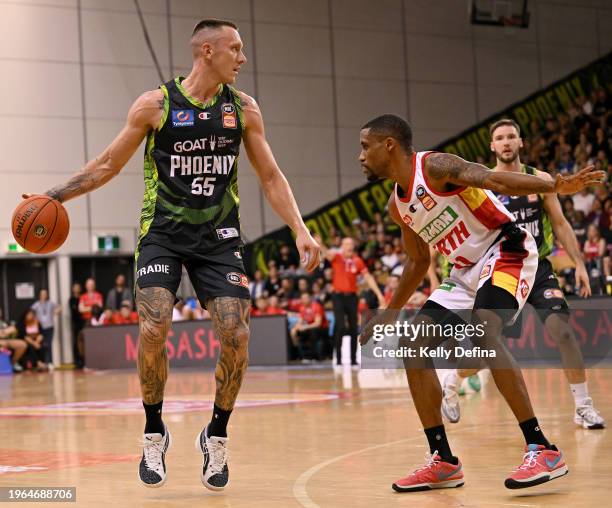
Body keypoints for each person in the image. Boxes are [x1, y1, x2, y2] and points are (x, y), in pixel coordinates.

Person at [28, 18, 320, 490]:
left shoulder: (243, 110)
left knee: (236, 333)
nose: (242, 58)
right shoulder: (155, 106)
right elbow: (107, 164)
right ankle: (153, 430)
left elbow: (270, 176)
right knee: (154, 322)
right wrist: (54, 196)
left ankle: (216, 436)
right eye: (235, 49)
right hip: (162, 231)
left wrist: (300, 229)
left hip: (219, 237)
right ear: (207, 51)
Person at [357, 114, 605, 492]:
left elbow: (493, 178)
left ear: (388, 144)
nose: (360, 156)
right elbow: (418, 261)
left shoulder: (436, 166)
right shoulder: (397, 205)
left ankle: (542, 448)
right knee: (414, 346)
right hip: (463, 271)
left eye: (365, 146)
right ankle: (442, 461)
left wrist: (554, 184)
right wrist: (389, 313)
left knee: (486, 328)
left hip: (505, 247)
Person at [441, 118, 605, 429]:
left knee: (564, 332)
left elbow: (559, 223)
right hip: (502, 267)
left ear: (521, 143)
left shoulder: (539, 179)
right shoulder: (482, 184)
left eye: (511, 136)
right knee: (485, 351)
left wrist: (580, 264)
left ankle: (583, 406)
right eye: (499, 138)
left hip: (539, 266)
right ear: (492, 146)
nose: (505, 142)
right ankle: (453, 379)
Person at [318, 236, 385, 367]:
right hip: (338, 296)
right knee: (341, 326)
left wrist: (379, 294)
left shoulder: (357, 261)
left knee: (354, 327)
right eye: (346, 244)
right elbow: (327, 254)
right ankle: (338, 358)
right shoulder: (337, 257)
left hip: (352, 297)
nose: (349, 246)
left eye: (351, 244)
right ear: (342, 247)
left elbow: (368, 277)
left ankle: (353, 359)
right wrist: (320, 244)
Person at [31, 289, 60, 367]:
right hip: (40, 328)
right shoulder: (36, 305)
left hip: (50, 327)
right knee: (42, 345)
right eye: (42, 294)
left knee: (49, 344)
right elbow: (31, 313)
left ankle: (49, 362)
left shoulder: (50, 303)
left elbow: (59, 307)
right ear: (39, 295)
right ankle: (41, 362)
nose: (44, 295)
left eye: (45, 294)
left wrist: (56, 311)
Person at [0, 309, 26, 373]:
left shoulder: (4, 322)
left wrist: (12, 331)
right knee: (2, 345)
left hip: (5, 340)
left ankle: (12, 364)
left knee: (22, 344)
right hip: (2, 342)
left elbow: (12, 332)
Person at [68, 282, 85, 368]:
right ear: (73, 289)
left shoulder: (83, 297)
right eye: (75, 287)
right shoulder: (71, 299)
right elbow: (76, 310)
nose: (77, 289)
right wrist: (82, 309)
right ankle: (77, 360)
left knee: (85, 341)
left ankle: (84, 360)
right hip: (76, 323)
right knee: (77, 342)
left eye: (78, 287)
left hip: (84, 322)